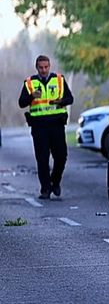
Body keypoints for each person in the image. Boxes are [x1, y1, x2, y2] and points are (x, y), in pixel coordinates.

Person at [18, 55, 74, 200]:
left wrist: (61, 101)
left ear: (50, 66)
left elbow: (70, 98)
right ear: (36, 68)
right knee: (42, 159)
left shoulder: (59, 80)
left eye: (46, 67)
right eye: (41, 67)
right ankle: (45, 189)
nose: (44, 70)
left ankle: (55, 181)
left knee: (61, 156)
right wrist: (31, 96)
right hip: (39, 126)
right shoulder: (30, 83)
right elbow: (22, 103)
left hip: (56, 124)